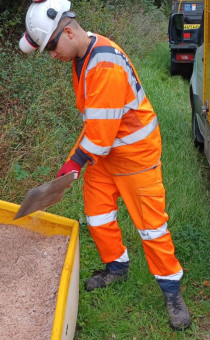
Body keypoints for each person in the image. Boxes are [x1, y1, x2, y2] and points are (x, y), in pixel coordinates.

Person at [19, 0, 191, 331]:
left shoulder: (104, 66)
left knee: (151, 226)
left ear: (68, 31)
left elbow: (100, 134)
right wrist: (75, 159)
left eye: (52, 46)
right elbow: (96, 122)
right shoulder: (84, 52)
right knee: (97, 214)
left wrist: (75, 161)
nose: (53, 55)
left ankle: (172, 292)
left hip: (134, 156)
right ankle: (116, 267)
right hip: (105, 153)